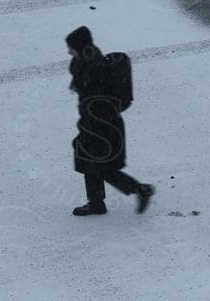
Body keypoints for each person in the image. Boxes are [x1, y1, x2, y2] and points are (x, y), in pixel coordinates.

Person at [65, 26, 154, 216]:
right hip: (102, 124)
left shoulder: (91, 68)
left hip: (101, 126)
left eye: (71, 47)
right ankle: (98, 202)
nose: (68, 51)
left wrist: (88, 128)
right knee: (94, 163)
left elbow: (95, 102)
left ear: (79, 47)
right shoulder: (89, 62)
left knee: (99, 165)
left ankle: (135, 190)